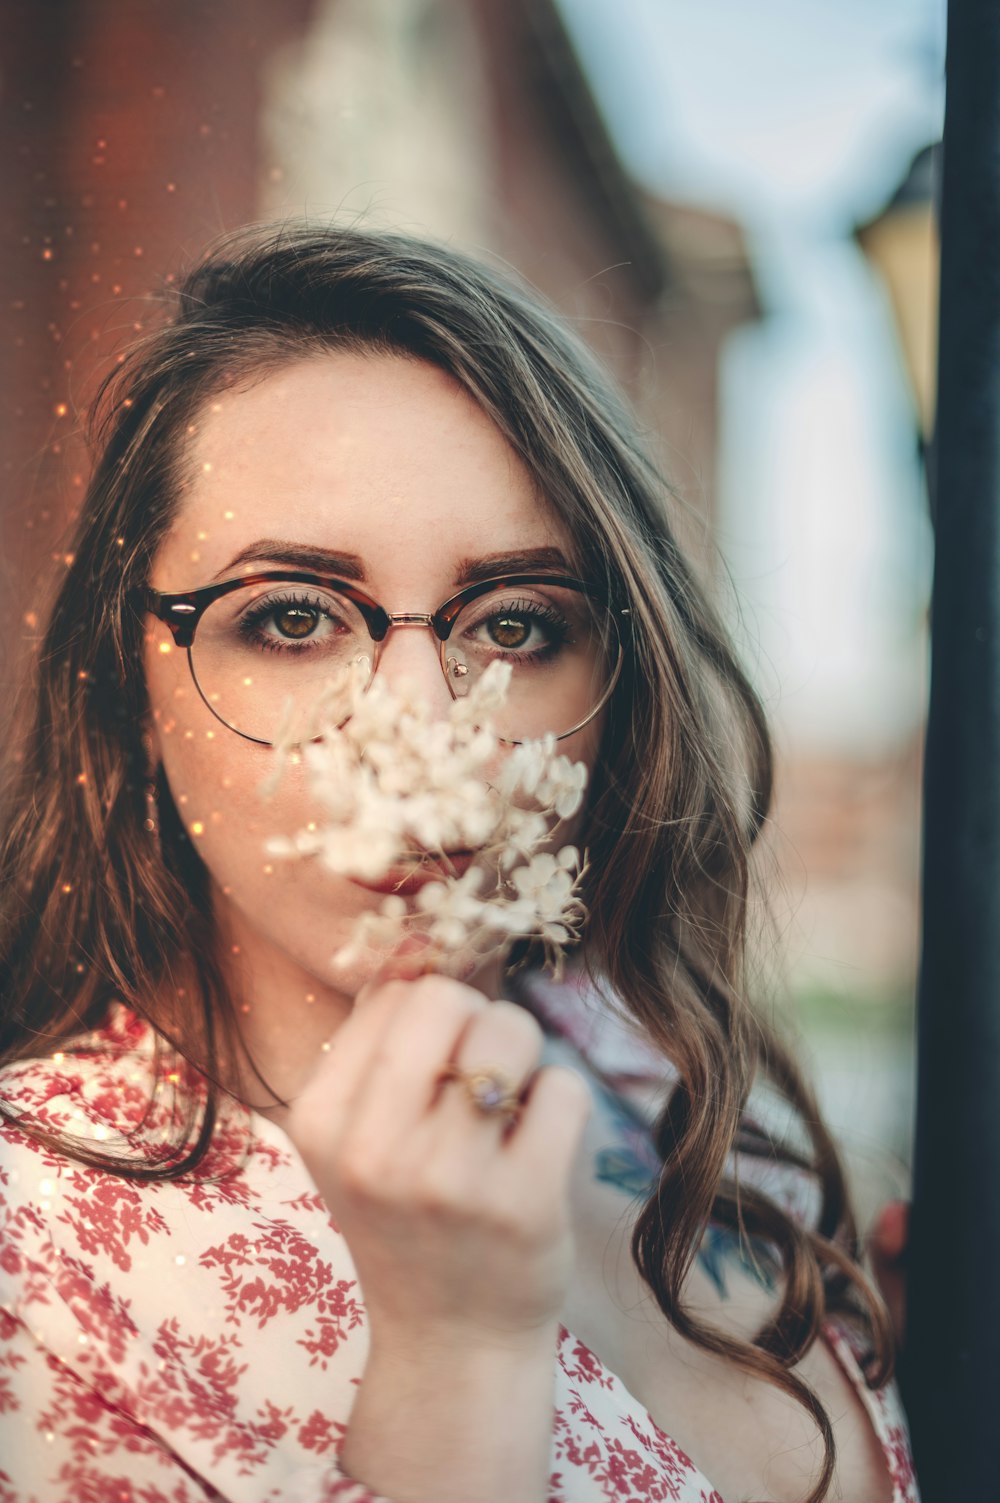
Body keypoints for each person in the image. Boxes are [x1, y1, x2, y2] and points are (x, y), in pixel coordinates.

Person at [0, 223, 916, 1503]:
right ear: (132, 680)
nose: (424, 732)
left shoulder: (644, 1066)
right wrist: (454, 1366)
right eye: (294, 618)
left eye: (517, 624)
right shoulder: (40, 1268)